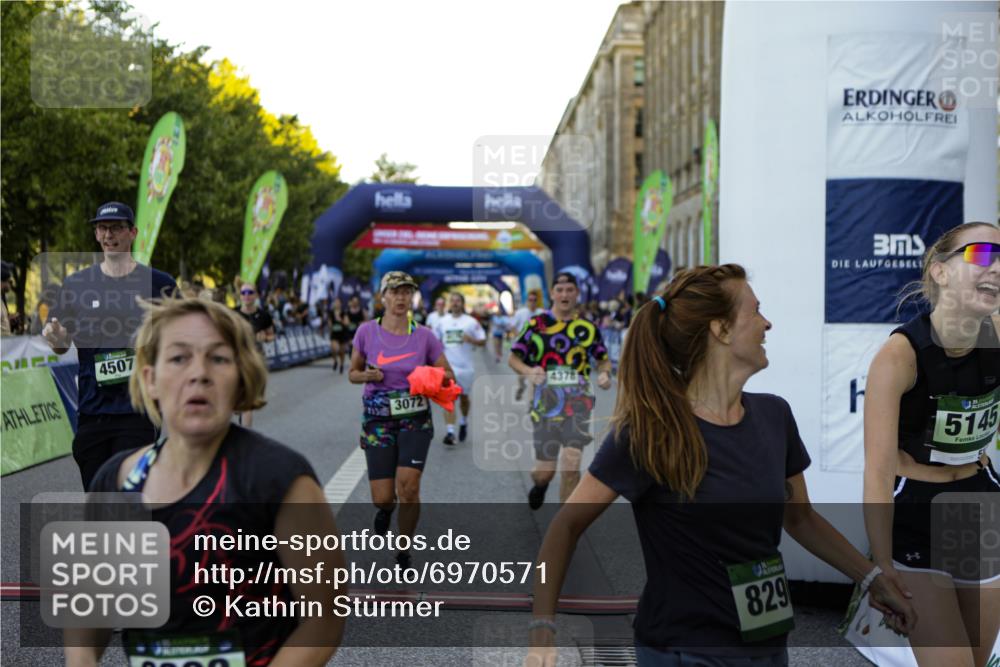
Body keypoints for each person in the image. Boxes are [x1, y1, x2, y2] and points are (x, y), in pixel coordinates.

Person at [526, 264, 917, 667]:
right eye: (756, 311)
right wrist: (543, 630)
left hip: (767, 643)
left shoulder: (774, 416)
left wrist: (872, 579)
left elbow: (800, 520)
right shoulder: (651, 431)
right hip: (684, 650)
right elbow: (566, 525)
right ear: (721, 330)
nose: (768, 323)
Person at [65, 297, 345, 667]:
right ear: (150, 379)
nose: (199, 373)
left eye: (218, 358)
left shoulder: (283, 479)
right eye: (179, 358)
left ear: (242, 377)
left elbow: (324, 622)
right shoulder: (115, 482)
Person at [864, 222, 1000, 667]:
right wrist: (881, 566)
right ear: (940, 272)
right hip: (917, 511)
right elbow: (879, 471)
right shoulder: (899, 356)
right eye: (982, 254)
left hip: (979, 506)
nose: (995, 266)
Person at [42, 202, 177, 490]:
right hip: (92, 411)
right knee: (97, 500)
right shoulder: (77, 284)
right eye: (102, 228)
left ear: (132, 233)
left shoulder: (159, 283)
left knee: (129, 497)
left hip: (138, 410)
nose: (108, 235)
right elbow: (61, 345)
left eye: (116, 228)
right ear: (96, 234)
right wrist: (55, 338)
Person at [349, 271, 455, 570]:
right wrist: (366, 375)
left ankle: (404, 548)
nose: (401, 298)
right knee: (383, 496)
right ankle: (385, 509)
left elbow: (448, 375)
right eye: (395, 292)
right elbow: (352, 373)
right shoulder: (366, 332)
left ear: (412, 298)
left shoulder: (424, 336)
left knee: (409, 487)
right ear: (383, 297)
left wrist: (426, 377)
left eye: (407, 293)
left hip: (415, 419)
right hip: (378, 419)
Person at [510, 273, 612, 507]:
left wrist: (605, 372)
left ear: (576, 293)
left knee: (572, 462)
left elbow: (603, 359)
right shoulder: (537, 325)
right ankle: (540, 484)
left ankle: (565, 525)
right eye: (560, 290)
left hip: (578, 406)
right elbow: (513, 359)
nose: (565, 294)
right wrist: (529, 372)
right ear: (553, 293)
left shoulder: (587, 328)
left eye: (569, 290)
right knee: (545, 471)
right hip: (545, 406)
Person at [432, 292, 487, 445]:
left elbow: (483, 340)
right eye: (453, 301)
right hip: (449, 368)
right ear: (450, 304)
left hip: (466, 368)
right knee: (448, 398)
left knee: (464, 399)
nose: (455, 303)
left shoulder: (471, 322)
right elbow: (433, 342)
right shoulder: (442, 322)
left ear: (462, 304)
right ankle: (450, 432)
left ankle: (463, 421)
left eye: (458, 301)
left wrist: (472, 340)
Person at [234, 281, 275, 428]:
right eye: (243, 293)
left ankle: (245, 437)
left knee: (248, 404)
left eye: (250, 292)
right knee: (239, 404)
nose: (246, 296)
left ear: (256, 295)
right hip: (234, 361)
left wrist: (266, 338)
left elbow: (272, 335)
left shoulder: (264, 316)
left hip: (254, 361)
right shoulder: (232, 313)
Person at [510, 291, 546, 401]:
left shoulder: (542, 313)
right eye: (530, 300)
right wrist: (521, 338)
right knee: (522, 374)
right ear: (527, 301)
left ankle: (532, 402)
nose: (532, 302)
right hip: (522, 349)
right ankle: (521, 386)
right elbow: (512, 327)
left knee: (534, 375)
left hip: (537, 349)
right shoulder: (520, 313)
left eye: (535, 300)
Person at [328, 297, 351, 373]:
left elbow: (347, 323)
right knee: (334, 349)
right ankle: (335, 361)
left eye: (338, 302)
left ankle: (341, 365)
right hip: (334, 334)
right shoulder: (331, 313)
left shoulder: (344, 313)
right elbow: (329, 323)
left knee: (342, 351)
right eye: (335, 302)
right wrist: (330, 326)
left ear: (340, 304)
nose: (336, 304)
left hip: (342, 334)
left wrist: (340, 320)